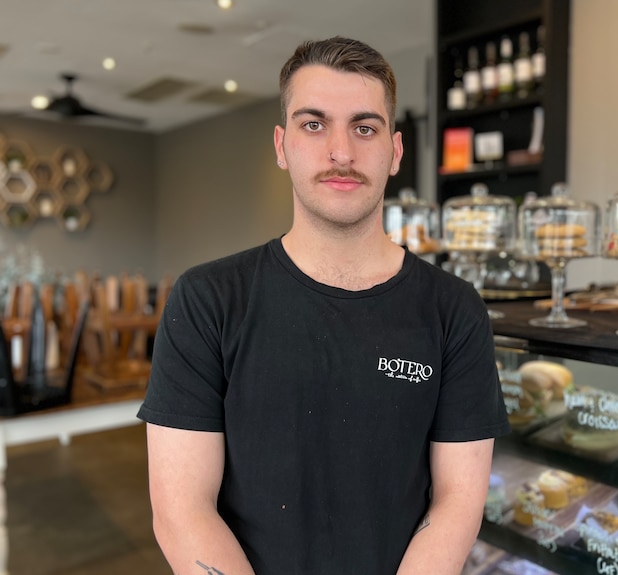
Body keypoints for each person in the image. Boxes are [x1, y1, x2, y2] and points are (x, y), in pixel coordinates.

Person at [138, 36, 510, 575]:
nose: (342, 152)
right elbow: (181, 511)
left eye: (365, 127)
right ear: (282, 145)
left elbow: (457, 502)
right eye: (314, 124)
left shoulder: (454, 309)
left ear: (395, 150)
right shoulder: (207, 300)